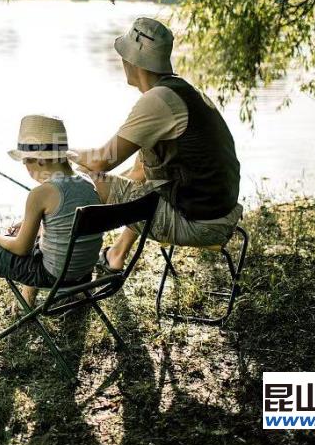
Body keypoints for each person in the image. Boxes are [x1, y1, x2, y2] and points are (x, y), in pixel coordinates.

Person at [71, 17, 242, 271]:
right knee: (136, 181)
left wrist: (57, 153)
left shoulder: (158, 100)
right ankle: (116, 254)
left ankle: (61, 270)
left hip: (200, 224)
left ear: (131, 61)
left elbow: (101, 161)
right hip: (219, 214)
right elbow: (138, 174)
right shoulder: (180, 91)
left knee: (74, 184)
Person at [0, 114, 102, 338]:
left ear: (41, 159)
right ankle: (26, 305)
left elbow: (21, 249)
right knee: (34, 241)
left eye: (25, 161)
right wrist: (29, 226)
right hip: (82, 273)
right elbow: (65, 222)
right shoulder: (87, 183)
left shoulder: (41, 193)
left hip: (53, 275)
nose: (26, 167)